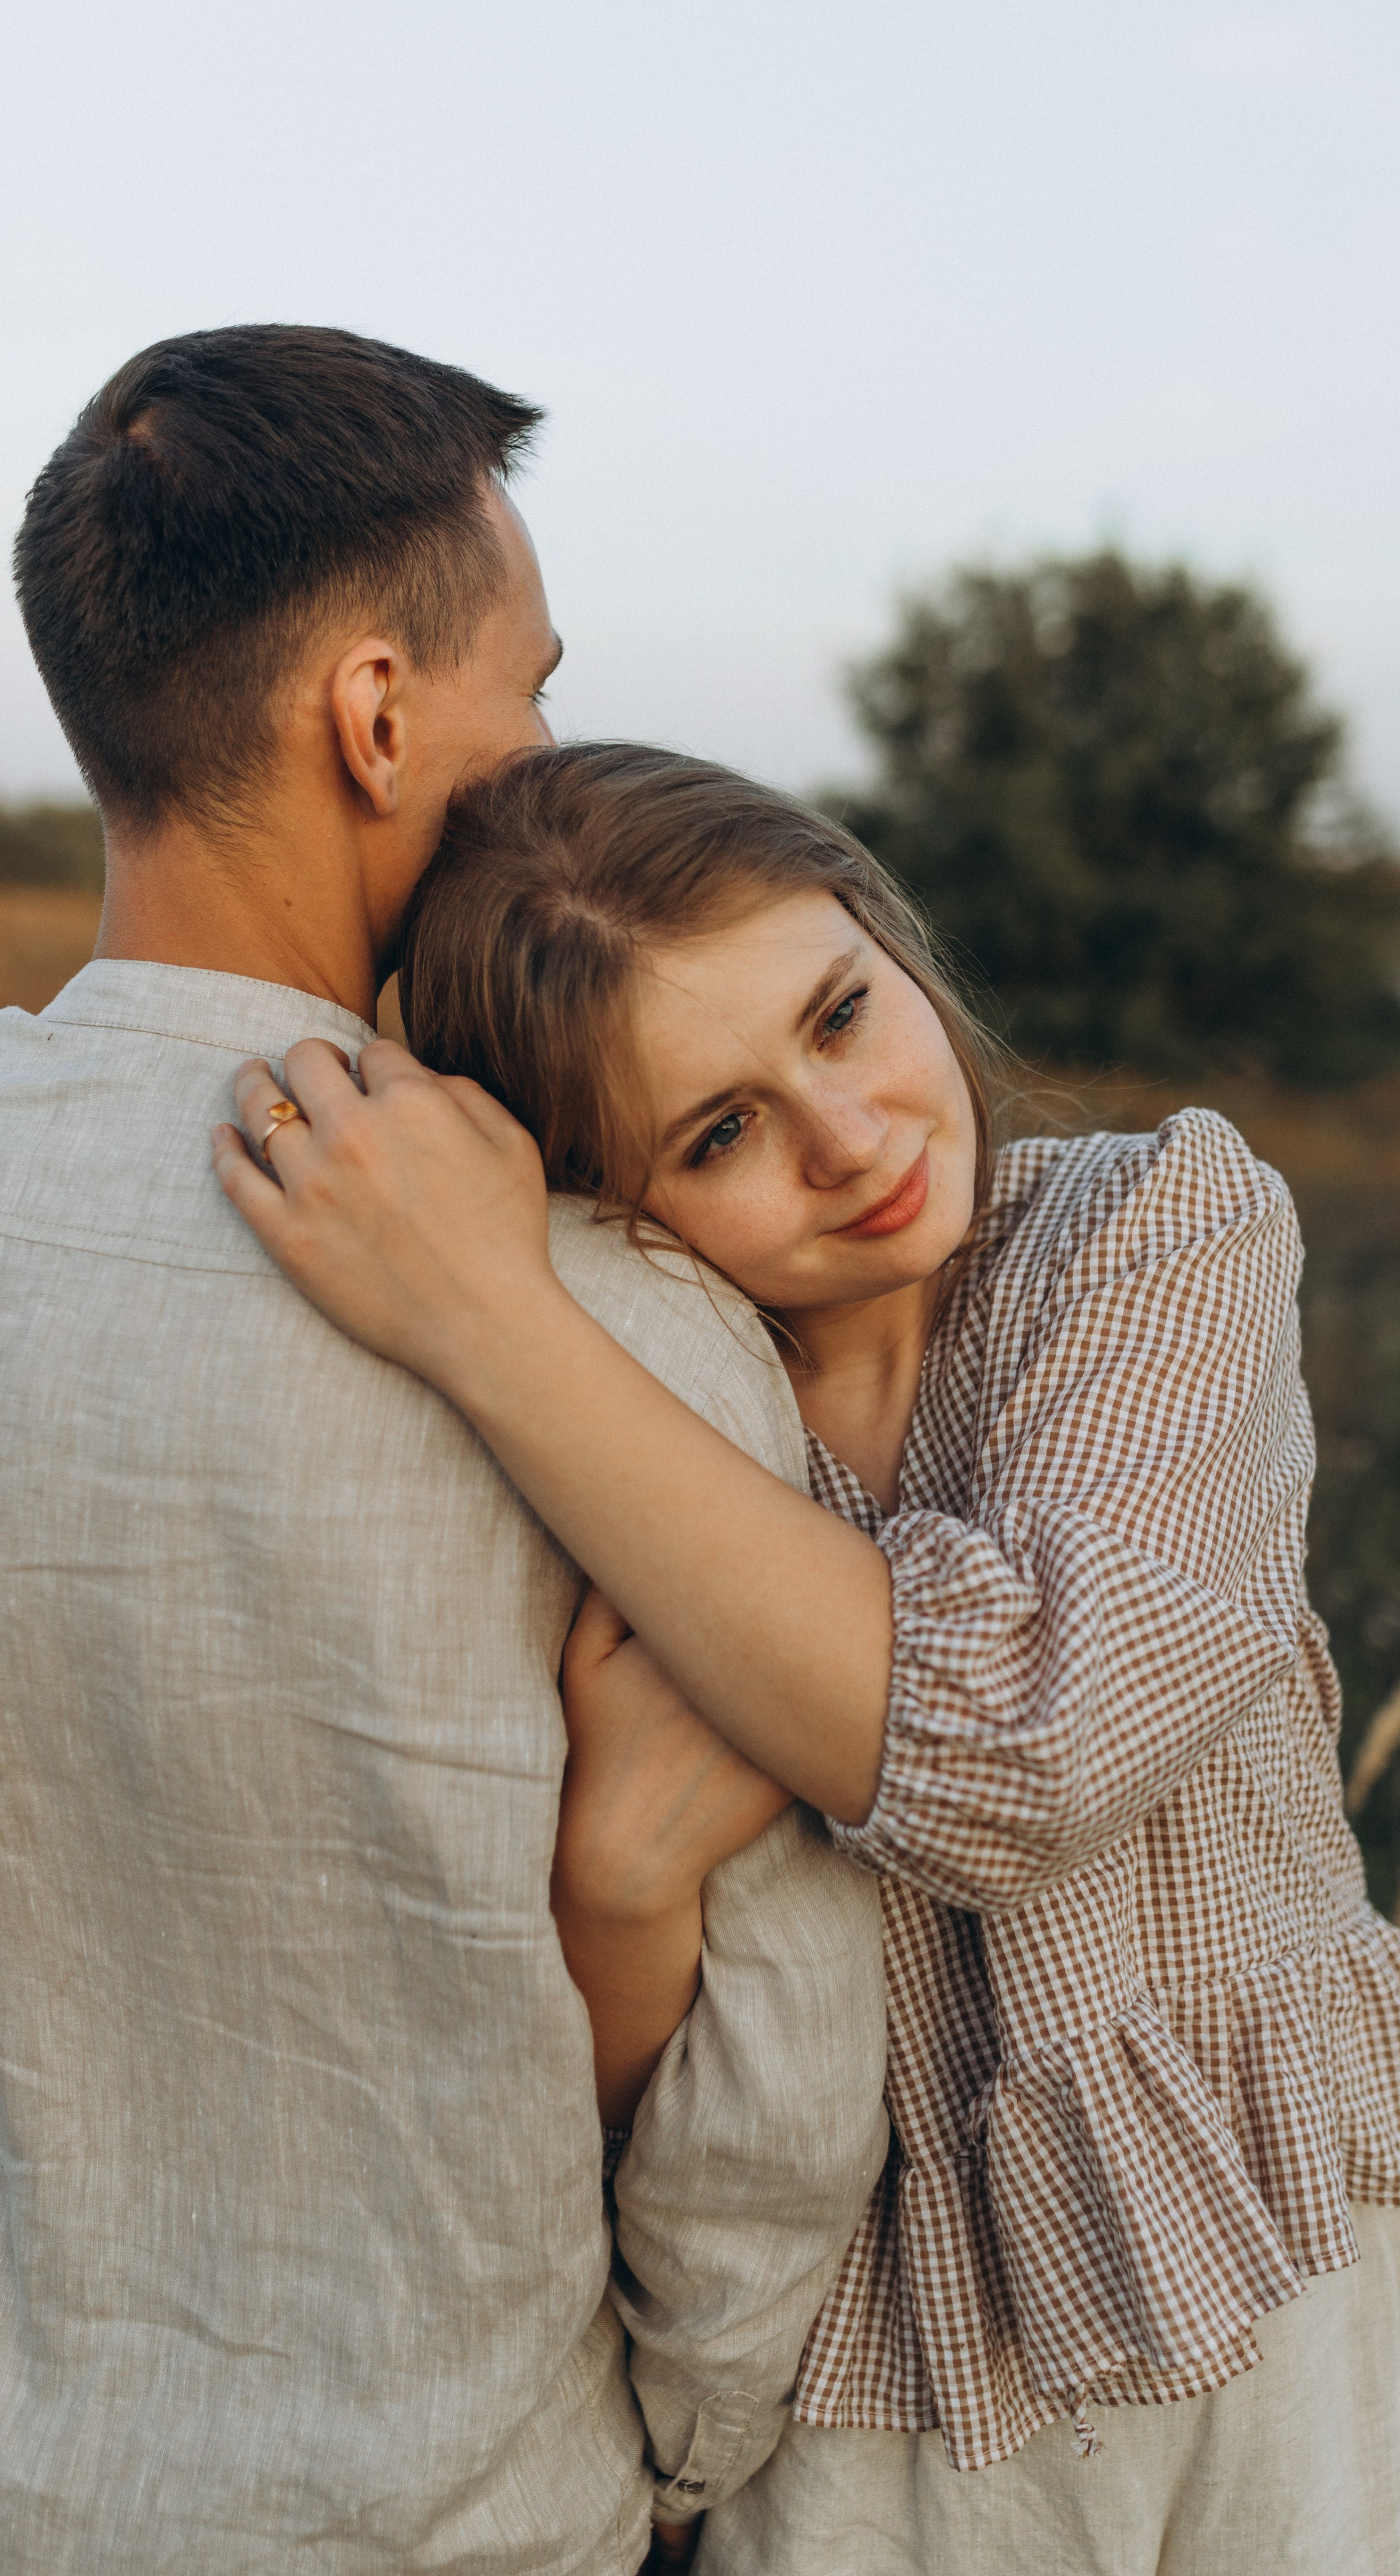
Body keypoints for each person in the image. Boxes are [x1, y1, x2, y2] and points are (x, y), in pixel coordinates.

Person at [214, 740, 1400, 2575]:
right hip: (868, 2376)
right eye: (721, 1132)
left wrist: (488, 1321)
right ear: (610, 1202)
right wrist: (617, 1890)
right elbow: (552, 2086)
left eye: (843, 1015)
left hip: (1291, 2265)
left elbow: (1035, 1741)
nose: (849, 1139)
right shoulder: (649, 1420)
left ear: (887, 934)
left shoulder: (1149, 1232)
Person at [0, 333, 887, 2576]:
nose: (545, 750)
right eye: (528, 686)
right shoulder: (633, 1333)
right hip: (450, 2515)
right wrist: (665, 2455)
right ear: (376, 718)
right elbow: (769, 2100)